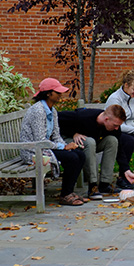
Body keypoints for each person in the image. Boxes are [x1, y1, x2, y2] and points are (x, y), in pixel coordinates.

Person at [20, 78, 86, 206]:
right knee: (71, 158)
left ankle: (69, 191)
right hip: (33, 151)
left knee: (79, 154)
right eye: (57, 92)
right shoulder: (38, 110)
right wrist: (64, 147)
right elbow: (40, 140)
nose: (60, 95)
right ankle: (65, 195)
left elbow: (56, 135)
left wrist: (66, 146)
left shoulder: (52, 110)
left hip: (44, 148)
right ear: (48, 93)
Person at [59, 104, 126, 200]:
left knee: (112, 140)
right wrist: (73, 133)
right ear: (106, 119)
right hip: (70, 141)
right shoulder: (83, 116)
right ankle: (93, 186)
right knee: (90, 142)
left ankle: (104, 184)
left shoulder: (114, 127)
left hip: (91, 143)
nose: (116, 128)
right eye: (115, 125)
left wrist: (126, 170)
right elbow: (56, 118)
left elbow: (120, 147)